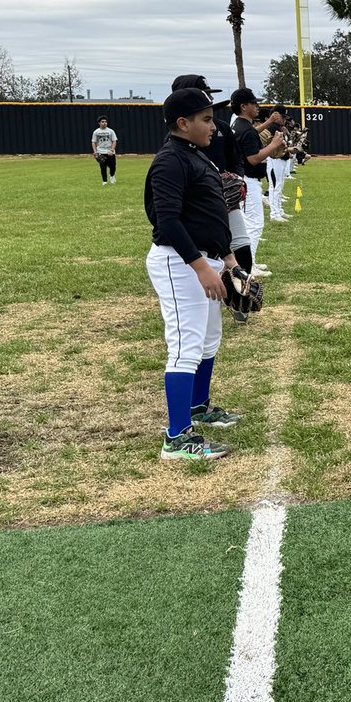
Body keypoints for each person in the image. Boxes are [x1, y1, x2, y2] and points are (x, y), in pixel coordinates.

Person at [144, 88, 243, 461]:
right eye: (204, 119)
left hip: (206, 259)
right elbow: (166, 220)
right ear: (182, 124)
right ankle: (177, 437)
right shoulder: (170, 160)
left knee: (208, 340)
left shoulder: (195, 155)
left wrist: (228, 261)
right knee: (185, 347)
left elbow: (212, 217)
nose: (213, 125)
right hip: (179, 262)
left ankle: (199, 407)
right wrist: (200, 267)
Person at [171, 75, 254, 322]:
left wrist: (236, 178)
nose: (208, 97)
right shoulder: (176, 142)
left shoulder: (220, 127)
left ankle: (239, 297)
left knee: (241, 248)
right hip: (197, 206)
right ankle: (199, 299)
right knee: (203, 253)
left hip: (226, 200)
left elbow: (236, 157)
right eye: (202, 92)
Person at [231, 88, 286, 278]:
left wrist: (268, 122)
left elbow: (251, 133)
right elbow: (254, 158)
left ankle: (250, 261)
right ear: (243, 106)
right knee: (254, 224)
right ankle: (248, 264)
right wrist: (273, 145)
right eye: (253, 103)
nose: (257, 106)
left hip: (244, 179)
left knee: (249, 223)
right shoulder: (245, 129)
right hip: (248, 180)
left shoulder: (240, 126)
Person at [90, 116, 118, 185]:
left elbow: (114, 141)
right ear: (99, 123)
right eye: (102, 122)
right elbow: (94, 142)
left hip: (110, 152)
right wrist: (95, 152)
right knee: (102, 166)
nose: (104, 123)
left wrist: (112, 150)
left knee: (112, 166)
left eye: (105, 122)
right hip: (100, 151)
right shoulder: (96, 132)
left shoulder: (111, 131)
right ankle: (104, 181)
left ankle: (112, 176)